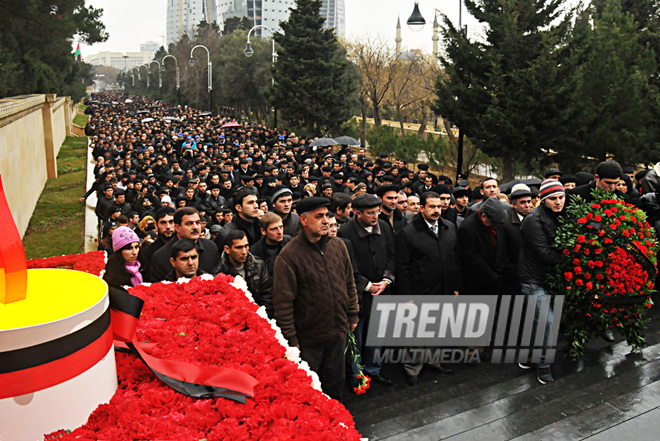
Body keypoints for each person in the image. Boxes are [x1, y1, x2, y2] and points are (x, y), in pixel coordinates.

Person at [273, 197, 359, 401]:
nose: (326, 221)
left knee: (335, 385)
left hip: (338, 332)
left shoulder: (338, 245)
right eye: (319, 216)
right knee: (309, 390)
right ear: (303, 220)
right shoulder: (289, 256)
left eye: (327, 216)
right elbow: (283, 303)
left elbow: (349, 282)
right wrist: (291, 339)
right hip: (309, 339)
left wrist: (353, 313)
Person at [396, 192, 460, 385]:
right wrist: (407, 296)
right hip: (419, 290)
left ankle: (433, 360)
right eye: (432, 207)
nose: (436, 210)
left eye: (439, 206)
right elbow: (403, 267)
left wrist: (455, 287)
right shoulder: (408, 233)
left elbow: (455, 259)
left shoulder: (449, 228)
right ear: (421, 208)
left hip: (444, 288)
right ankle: (412, 368)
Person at [338, 194, 396, 387]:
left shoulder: (385, 227)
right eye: (370, 213)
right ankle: (357, 375)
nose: (375, 217)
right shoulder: (345, 233)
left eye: (377, 212)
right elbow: (347, 268)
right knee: (357, 338)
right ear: (357, 212)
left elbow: (392, 255)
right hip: (359, 296)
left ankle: (374, 369)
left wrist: (386, 280)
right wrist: (368, 285)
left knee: (377, 336)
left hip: (382, 291)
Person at [518, 179, 566, 384]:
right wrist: (575, 256)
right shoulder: (533, 220)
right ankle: (543, 367)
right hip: (534, 279)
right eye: (553, 199)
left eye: (561, 197)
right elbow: (545, 254)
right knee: (547, 322)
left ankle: (529, 357)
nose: (558, 202)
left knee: (541, 322)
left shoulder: (562, 215)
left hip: (550, 278)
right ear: (542, 200)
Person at [149, 207, 220, 282]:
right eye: (189, 223)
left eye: (198, 223)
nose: (195, 227)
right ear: (177, 227)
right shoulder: (161, 256)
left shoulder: (211, 247)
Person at [213, 230, 273, 318]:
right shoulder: (219, 273)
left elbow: (267, 295)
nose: (244, 251)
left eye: (246, 246)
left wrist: (262, 316)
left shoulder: (259, 265)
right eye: (239, 247)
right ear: (227, 249)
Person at [250, 212, 292, 276]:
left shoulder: (288, 241)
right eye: (274, 229)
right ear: (263, 231)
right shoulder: (255, 251)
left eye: (281, 227)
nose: (279, 232)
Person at [140, 207, 176, 275]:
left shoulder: (187, 248)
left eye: (171, 222)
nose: (168, 226)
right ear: (156, 225)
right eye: (163, 222)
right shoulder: (147, 253)